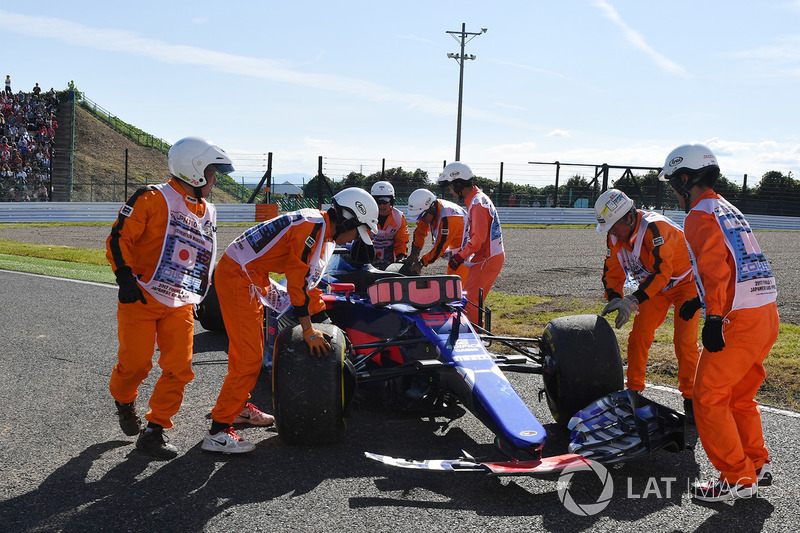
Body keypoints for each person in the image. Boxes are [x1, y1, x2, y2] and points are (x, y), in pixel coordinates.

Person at [202, 187, 379, 453]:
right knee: (250, 357)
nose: (354, 239)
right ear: (347, 218)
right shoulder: (311, 229)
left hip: (248, 273)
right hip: (240, 276)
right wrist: (308, 330)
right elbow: (297, 287)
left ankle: (237, 408)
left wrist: (324, 318)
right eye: (357, 231)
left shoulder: (318, 226)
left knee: (248, 352)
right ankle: (218, 431)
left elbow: (308, 284)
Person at [659, 143, 778, 502]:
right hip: (764, 313)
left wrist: (712, 316)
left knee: (709, 398)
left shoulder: (699, 214)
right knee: (739, 397)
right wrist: (703, 298)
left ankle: (736, 478)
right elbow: (733, 261)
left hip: (737, 319)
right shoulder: (726, 207)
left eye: (673, 185)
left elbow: (716, 267)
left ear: (684, 179)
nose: (673, 192)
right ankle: (756, 463)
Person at [106, 136, 232, 459]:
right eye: (212, 173)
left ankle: (155, 430)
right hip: (141, 296)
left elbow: (203, 256)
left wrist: (201, 292)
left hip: (180, 302)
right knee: (135, 365)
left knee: (179, 367)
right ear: (194, 171)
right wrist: (124, 276)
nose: (215, 180)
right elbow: (120, 236)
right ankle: (123, 398)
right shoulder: (151, 198)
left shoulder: (208, 212)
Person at [595, 189, 699, 419]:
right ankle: (633, 392)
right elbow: (612, 270)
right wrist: (614, 298)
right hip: (655, 288)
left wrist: (632, 301)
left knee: (684, 341)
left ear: (629, 217)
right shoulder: (615, 235)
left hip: (686, 284)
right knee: (639, 336)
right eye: (608, 228)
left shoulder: (655, 228)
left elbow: (663, 273)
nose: (611, 232)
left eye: (613, 226)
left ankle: (691, 398)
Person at [438, 162, 505, 325]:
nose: (451, 192)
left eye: (450, 187)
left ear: (458, 183)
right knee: (472, 301)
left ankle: (474, 340)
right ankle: (477, 334)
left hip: (486, 259)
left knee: (470, 304)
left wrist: (459, 257)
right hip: (487, 258)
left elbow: (478, 240)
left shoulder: (477, 203)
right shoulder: (477, 199)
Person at [405, 188, 468, 286]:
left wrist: (421, 263)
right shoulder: (429, 211)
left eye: (422, 216)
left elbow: (439, 247)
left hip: (468, 255)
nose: (421, 220)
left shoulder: (449, 219)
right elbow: (420, 233)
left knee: (459, 289)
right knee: (452, 287)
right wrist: (414, 254)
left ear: (432, 208)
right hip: (457, 252)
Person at [369, 181, 409, 267]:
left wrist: (400, 257)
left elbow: (401, 241)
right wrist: (371, 257)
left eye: (385, 201)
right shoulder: (366, 217)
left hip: (391, 264)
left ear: (392, 201)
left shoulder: (399, 218)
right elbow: (363, 241)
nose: (382, 205)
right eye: (378, 202)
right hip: (368, 261)